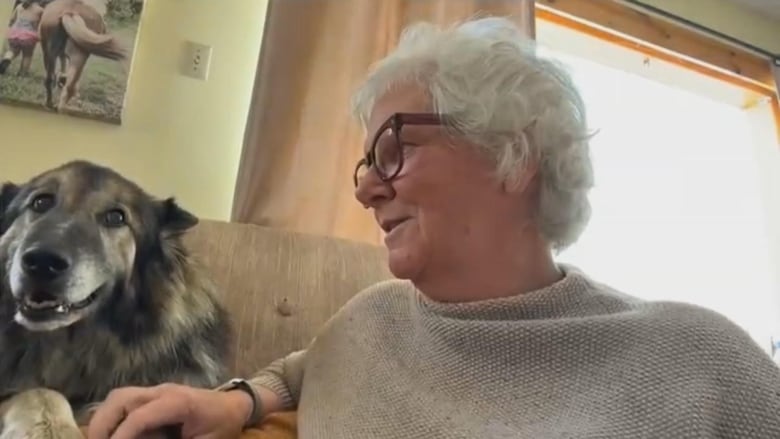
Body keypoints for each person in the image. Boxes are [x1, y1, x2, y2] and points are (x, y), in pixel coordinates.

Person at [87, 16, 780, 439]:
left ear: (516, 154)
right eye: (364, 164)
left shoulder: (700, 357)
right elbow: (304, 370)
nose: (365, 187)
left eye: (393, 148)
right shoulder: (370, 319)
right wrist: (237, 400)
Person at [0, 0, 44, 76]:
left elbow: (12, 20)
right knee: (27, 55)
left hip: (15, 34)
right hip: (29, 36)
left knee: (12, 50)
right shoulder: (40, 10)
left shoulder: (19, 6)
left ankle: (7, 58)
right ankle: (22, 73)